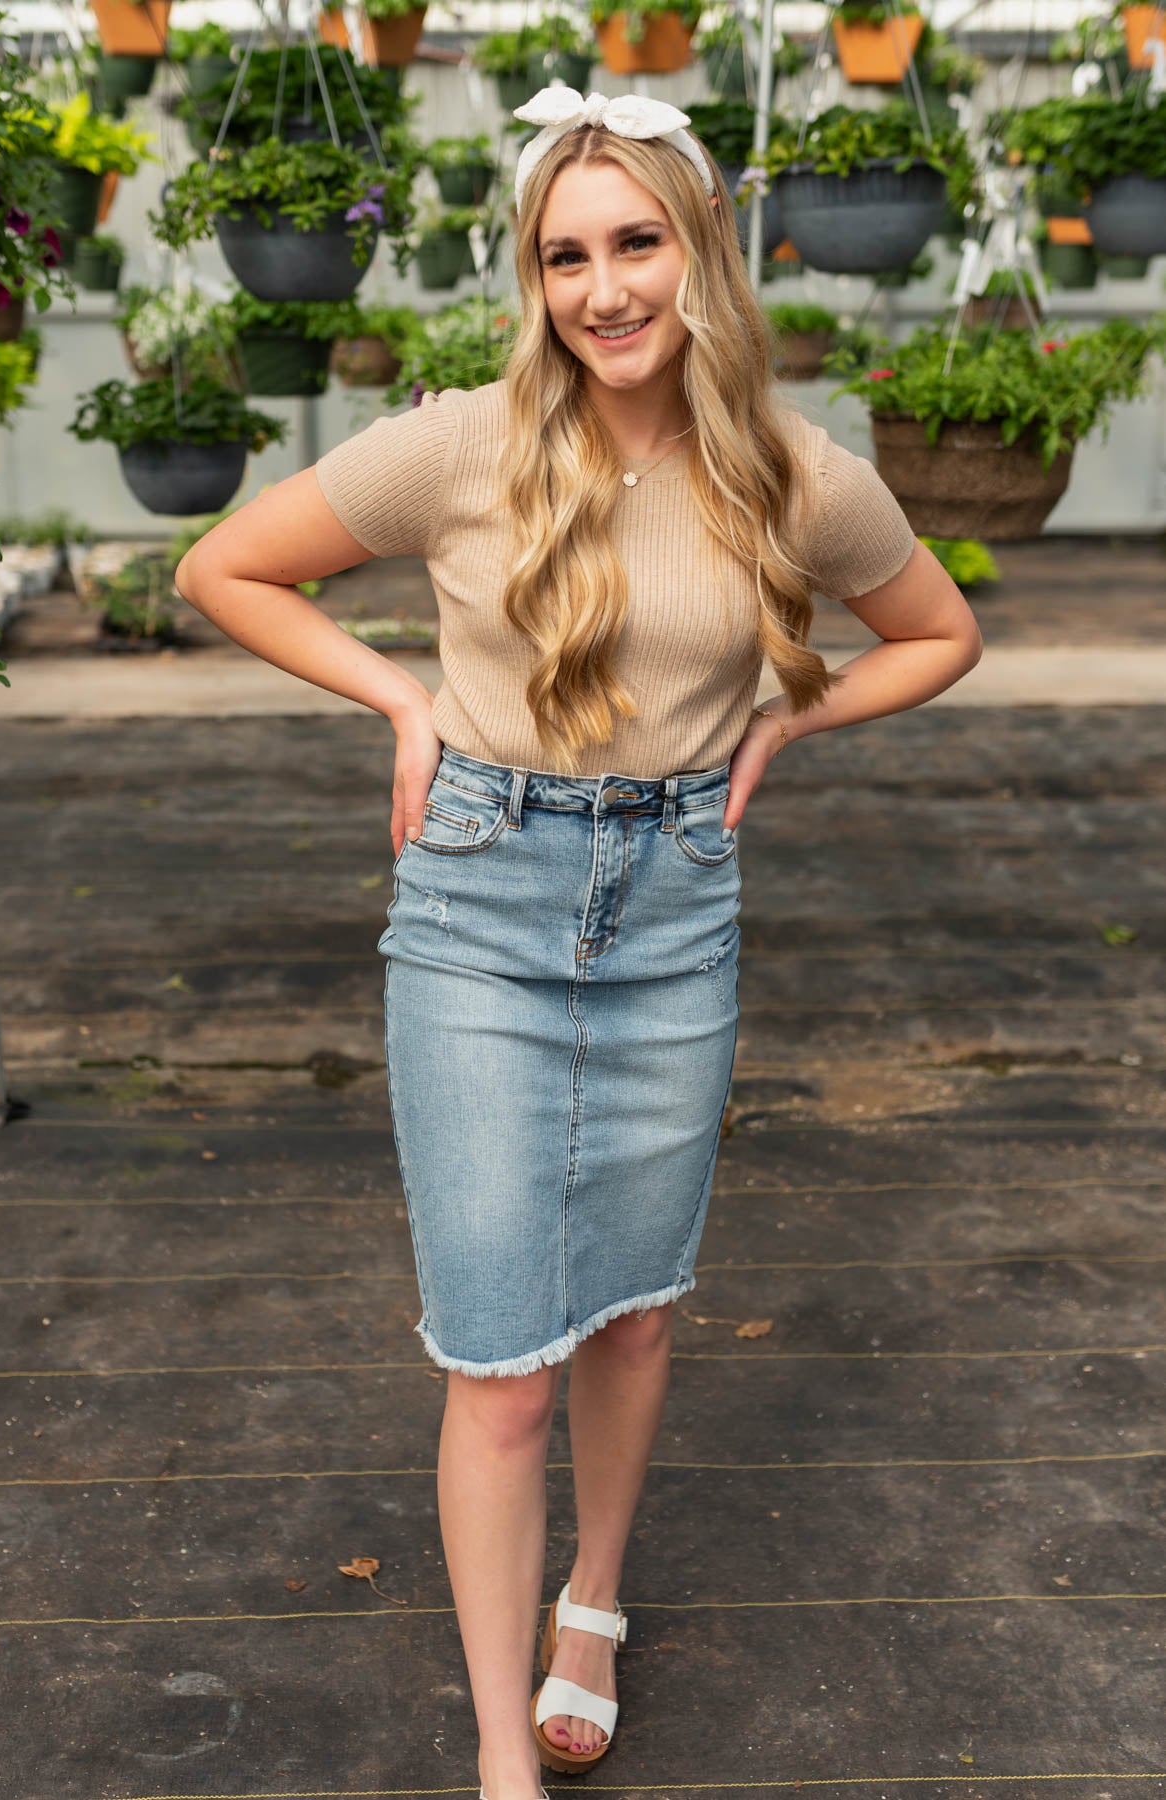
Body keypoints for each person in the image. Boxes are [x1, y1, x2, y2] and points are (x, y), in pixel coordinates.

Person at [175, 85, 983, 1800]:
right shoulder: (466, 443)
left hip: (675, 905)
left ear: (702, 256)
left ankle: (591, 1603)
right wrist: (398, 699)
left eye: (637, 244)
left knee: (625, 1318)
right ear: (533, 282)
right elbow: (226, 567)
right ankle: (497, 1758)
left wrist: (781, 726)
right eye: (566, 256)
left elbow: (937, 630)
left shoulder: (788, 468)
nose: (604, 289)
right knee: (498, 1365)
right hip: (477, 905)